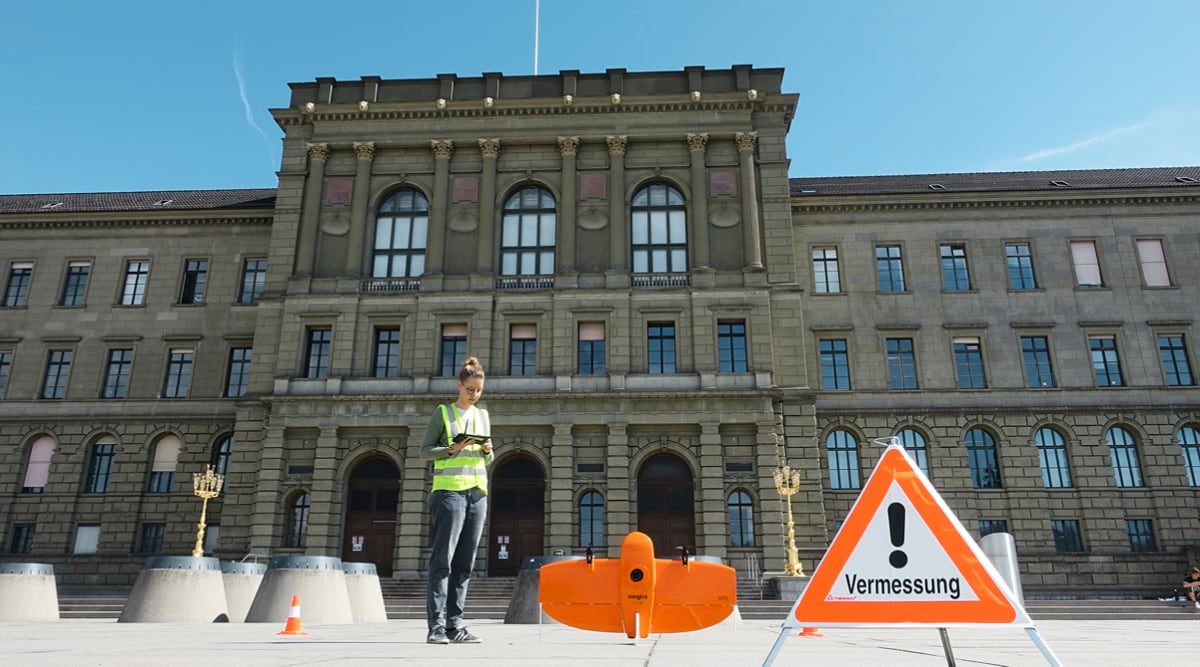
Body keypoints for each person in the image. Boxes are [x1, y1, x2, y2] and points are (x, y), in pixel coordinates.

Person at [420, 356, 494, 644]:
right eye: (470, 389)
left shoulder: (483, 416)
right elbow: (425, 451)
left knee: (464, 563)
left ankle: (455, 626)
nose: (474, 395)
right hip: (449, 493)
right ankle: (436, 627)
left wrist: (488, 450)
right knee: (443, 562)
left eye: (478, 390)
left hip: (477, 493)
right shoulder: (443, 413)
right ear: (459, 386)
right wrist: (450, 449)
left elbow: (489, 459)